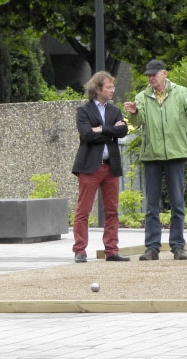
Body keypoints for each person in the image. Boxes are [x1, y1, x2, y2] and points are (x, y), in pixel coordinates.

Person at [123, 59, 187, 261]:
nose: (151, 78)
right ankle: (151, 248)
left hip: (176, 154)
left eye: (154, 75)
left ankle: (178, 246)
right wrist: (133, 113)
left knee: (177, 202)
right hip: (151, 155)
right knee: (151, 204)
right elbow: (137, 121)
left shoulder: (180, 92)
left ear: (164, 74)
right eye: (148, 75)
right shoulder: (142, 96)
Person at [71, 71, 129, 263]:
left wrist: (103, 128)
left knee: (112, 211)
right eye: (109, 87)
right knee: (83, 211)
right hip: (89, 167)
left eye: (113, 87)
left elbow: (123, 131)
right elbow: (87, 135)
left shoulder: (114, 110)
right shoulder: (84, 111)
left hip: (110, 167)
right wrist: (110, 131)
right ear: (98, 89)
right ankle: (80, 250)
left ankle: (111, 250)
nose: (112, 90)